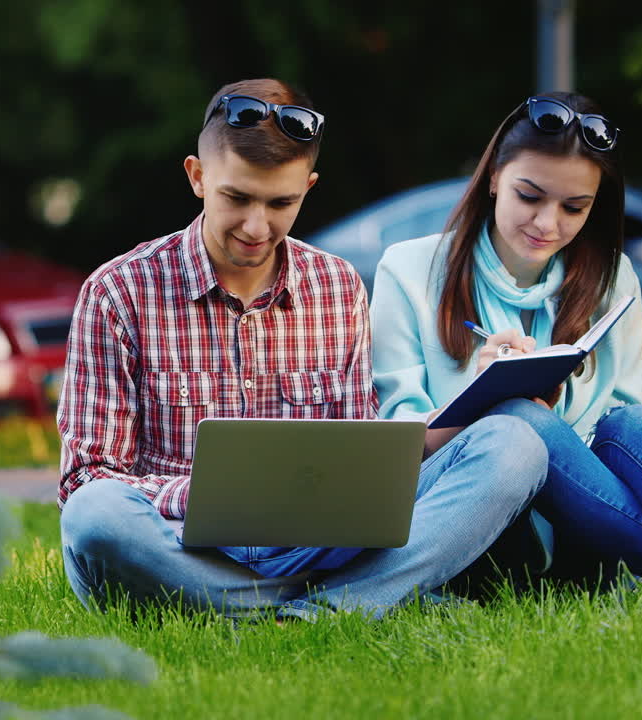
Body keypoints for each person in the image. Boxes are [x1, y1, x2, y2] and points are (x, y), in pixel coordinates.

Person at [56, 78, 551, 621]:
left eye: (280, 203)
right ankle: (346, 603)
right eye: (237, 198)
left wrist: (474, 401)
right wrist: (216, 501)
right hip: (179, 546)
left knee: (515, 445)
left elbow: (365, 454)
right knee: (95, 515)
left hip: (319, 544)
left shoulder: (337, 286)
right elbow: (87, 477)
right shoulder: (117, 292)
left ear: (309, 189)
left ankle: (287, 609)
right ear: (198, 178)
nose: (256, 226)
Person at [369, 91, 642, 624]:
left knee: (632, 421)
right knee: (520, 417)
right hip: (478, 521)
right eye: (529, 196)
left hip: (587, 530)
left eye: (574, 207)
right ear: (492, 179)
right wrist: (477, 400)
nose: (547, 224)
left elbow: (632, 447)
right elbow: (394, 441)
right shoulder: (409, 269)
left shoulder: (612, 278)